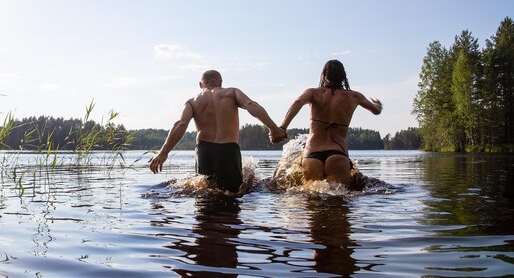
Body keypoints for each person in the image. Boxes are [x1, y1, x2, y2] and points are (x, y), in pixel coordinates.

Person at [149, 70, 286, 193]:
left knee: (205, 192)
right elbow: (251, 105)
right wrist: (273, 128)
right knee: (233, 193)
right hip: (228, 149)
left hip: (204, 150)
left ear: (200, 84)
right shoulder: (232, 92)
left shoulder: (192, 102)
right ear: (220, 82)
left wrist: (163, 153)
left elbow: (180, 124)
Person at [273, 60, 382, 188]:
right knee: (339, 198)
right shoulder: (354, 96)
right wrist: (378, 104)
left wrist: (282, 127)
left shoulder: (312, 93)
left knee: (312, 198)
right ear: (343, 76)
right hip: (338, 153)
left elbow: (298, 102)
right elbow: (376, 111)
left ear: (324, 75)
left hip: (312, 154)